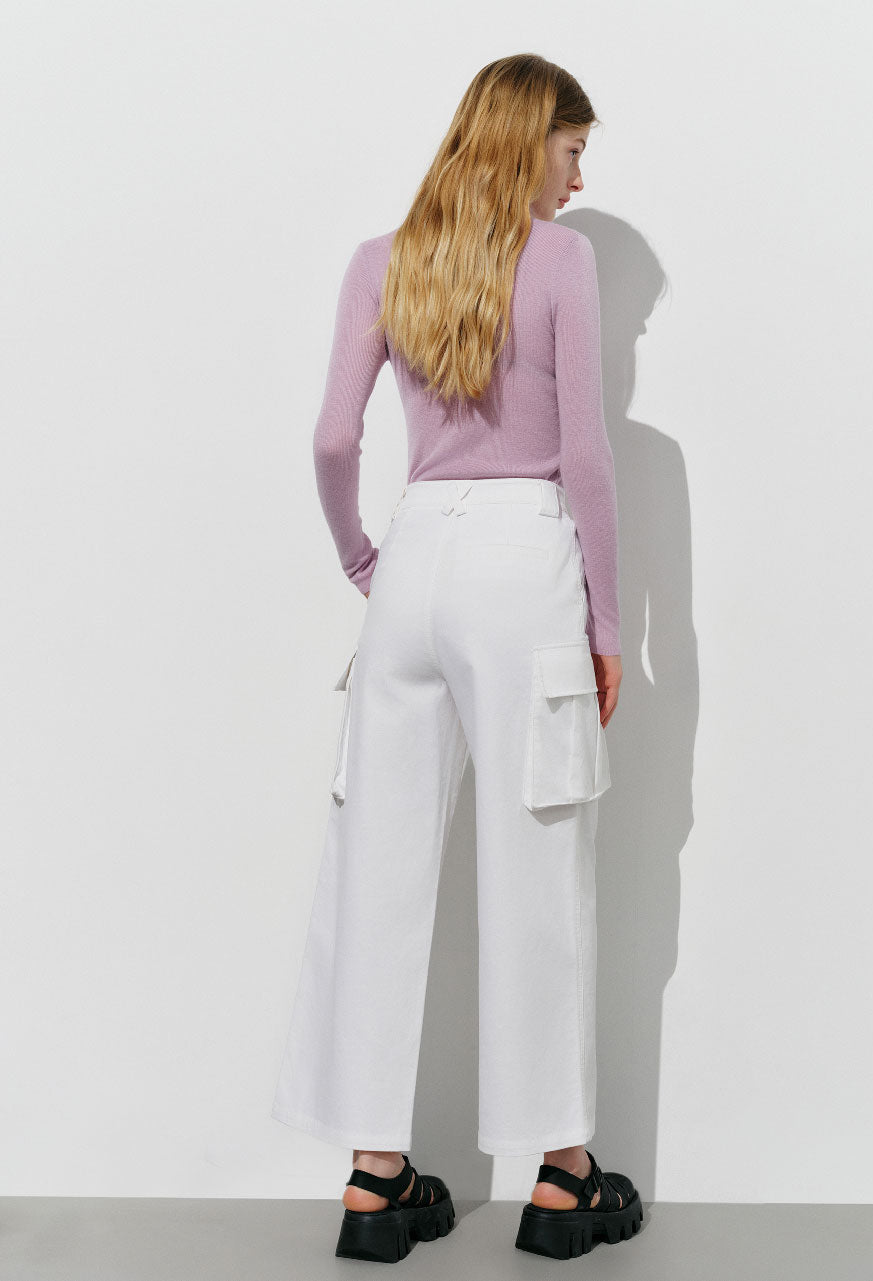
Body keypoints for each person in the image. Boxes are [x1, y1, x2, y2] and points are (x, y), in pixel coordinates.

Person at [270, 53, 642, 1263]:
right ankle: (560, 1177)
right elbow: (585, 457)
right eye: (570, 152)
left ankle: (374, 1180)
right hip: (521, 562)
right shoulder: (560, 262)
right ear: (528, 138)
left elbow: (334, 441)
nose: (577, 180)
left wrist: (361, 560)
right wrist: (605, 625)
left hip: (415, 559)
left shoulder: (380, 261)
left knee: (373, 865)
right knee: (538, 861)